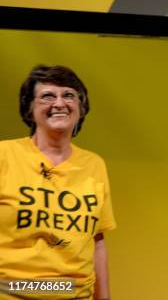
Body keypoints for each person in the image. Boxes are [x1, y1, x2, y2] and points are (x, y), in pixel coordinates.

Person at [0, 65, 116, 300]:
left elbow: (97, 241)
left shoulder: (94, 165)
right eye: (47, 96)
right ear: (29, 109)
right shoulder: (4, 155)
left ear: (81, 108)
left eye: (69, 95)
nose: (59, 103)